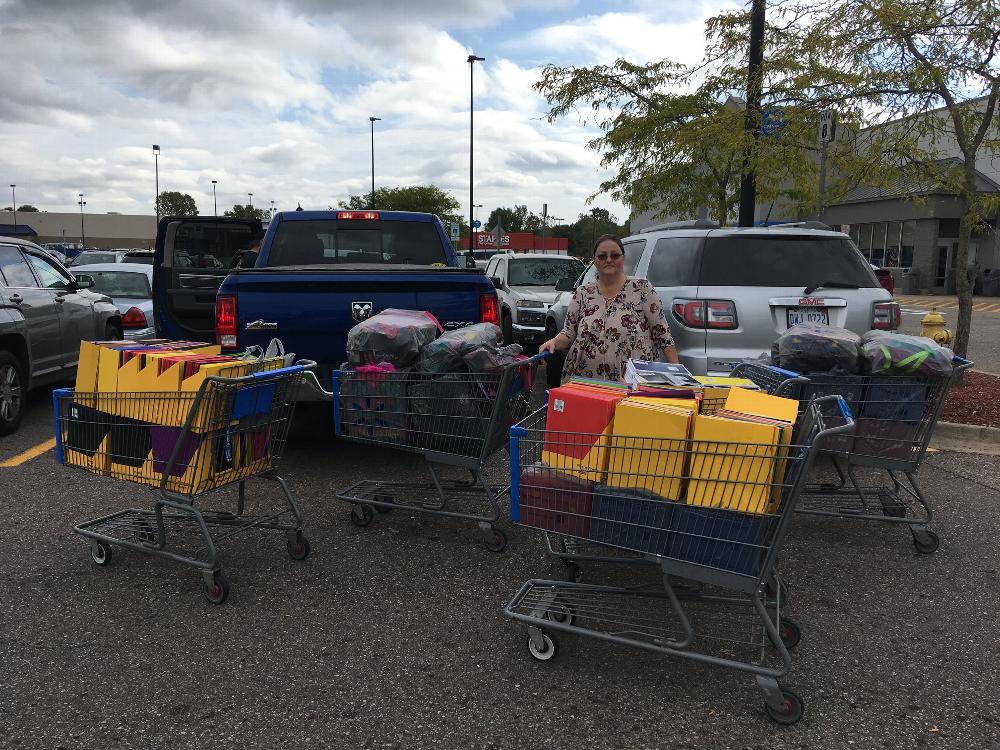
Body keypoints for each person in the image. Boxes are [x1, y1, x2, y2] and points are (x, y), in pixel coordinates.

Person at [540, 234, 678, 383]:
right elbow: (568, 334)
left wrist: (677, 378)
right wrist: (553, 342)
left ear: (623, 258)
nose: (608, 260)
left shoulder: (642, 288)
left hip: (633, 383)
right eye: (602, 256)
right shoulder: (582, 293)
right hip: (585, 381)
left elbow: (663, 335)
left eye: (615, 255)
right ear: (594, 261)